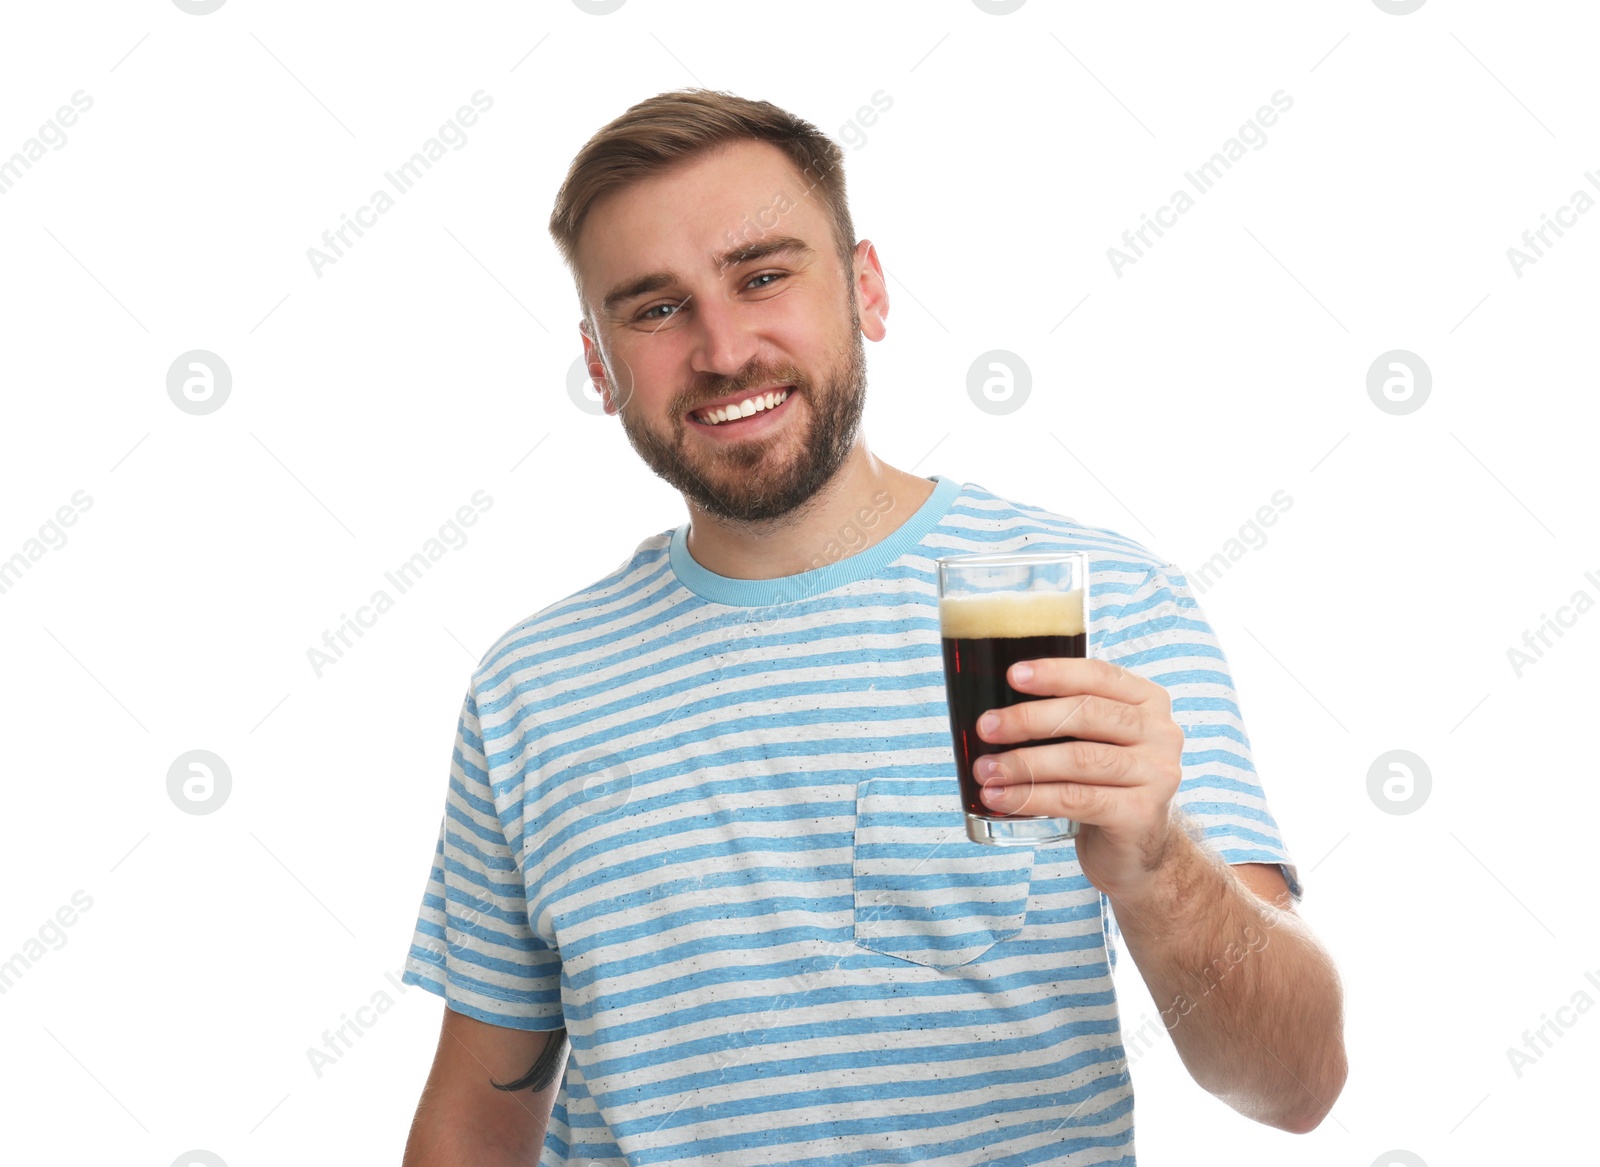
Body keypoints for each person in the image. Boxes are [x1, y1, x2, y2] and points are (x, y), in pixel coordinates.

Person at [399, 88, 1347, 1166]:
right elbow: (477, 1116)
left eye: (763, 276)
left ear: (866, 289)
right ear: (599, 364)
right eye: (655, 309)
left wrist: (1155, 863)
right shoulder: (532, 687)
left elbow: (1298, 1085)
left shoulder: (1097, 608)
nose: (721, 348)